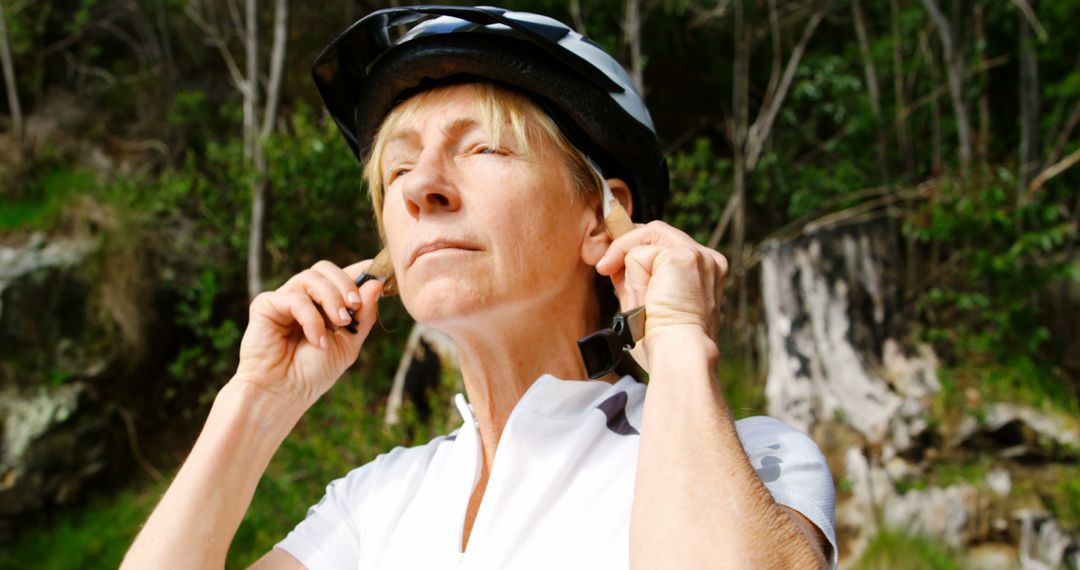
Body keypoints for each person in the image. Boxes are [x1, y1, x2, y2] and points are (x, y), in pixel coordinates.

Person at [122, 6, 838, 569]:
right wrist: (254, 404)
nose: (422, 189)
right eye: (399, 170)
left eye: (483, 148)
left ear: (602, 217)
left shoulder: (751, 459)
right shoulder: (375, 502)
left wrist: (677, 341)